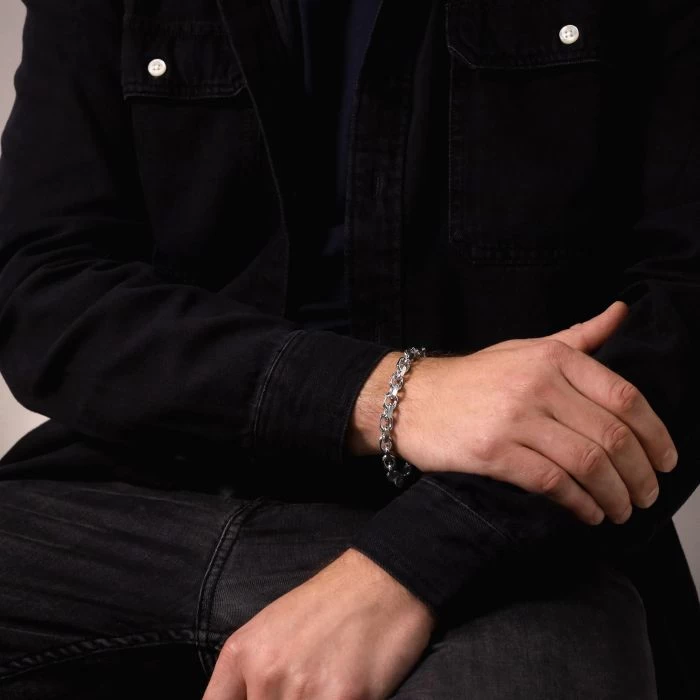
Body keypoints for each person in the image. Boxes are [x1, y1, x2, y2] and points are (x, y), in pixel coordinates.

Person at [0, 0, 698, 698]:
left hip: (487, 525)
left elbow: (682, 313)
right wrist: (396, 395)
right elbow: (39, 288)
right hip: (123, 501)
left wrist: (406, 570)